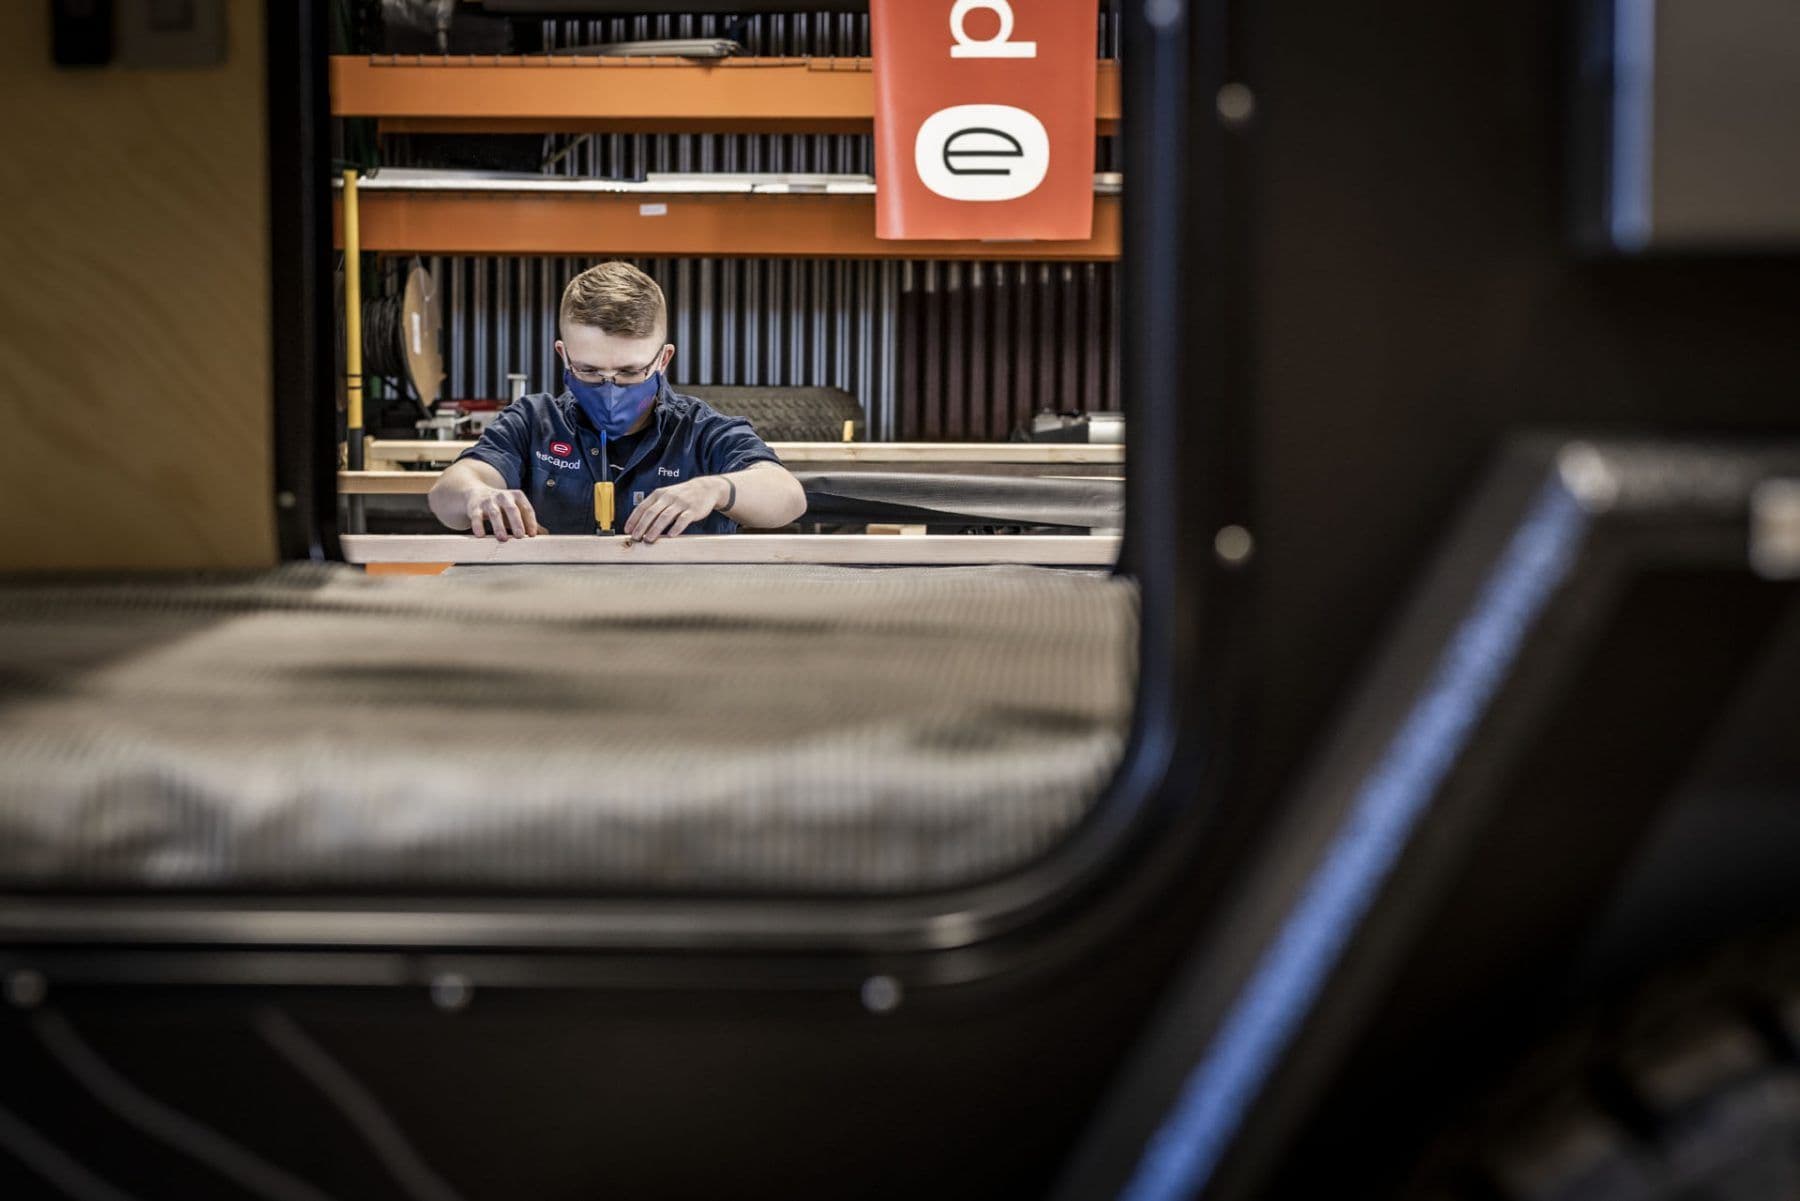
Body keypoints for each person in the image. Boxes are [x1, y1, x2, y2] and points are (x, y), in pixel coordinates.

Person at [428, 262, 808, 542]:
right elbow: (447, 495)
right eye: (590, 370)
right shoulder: (532, 422)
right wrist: (477, 494)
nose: (610, 388)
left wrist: (717, 489)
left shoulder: (701, 432)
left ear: (663, 359)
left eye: (629, 372)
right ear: (564, 355)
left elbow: (787, 497)